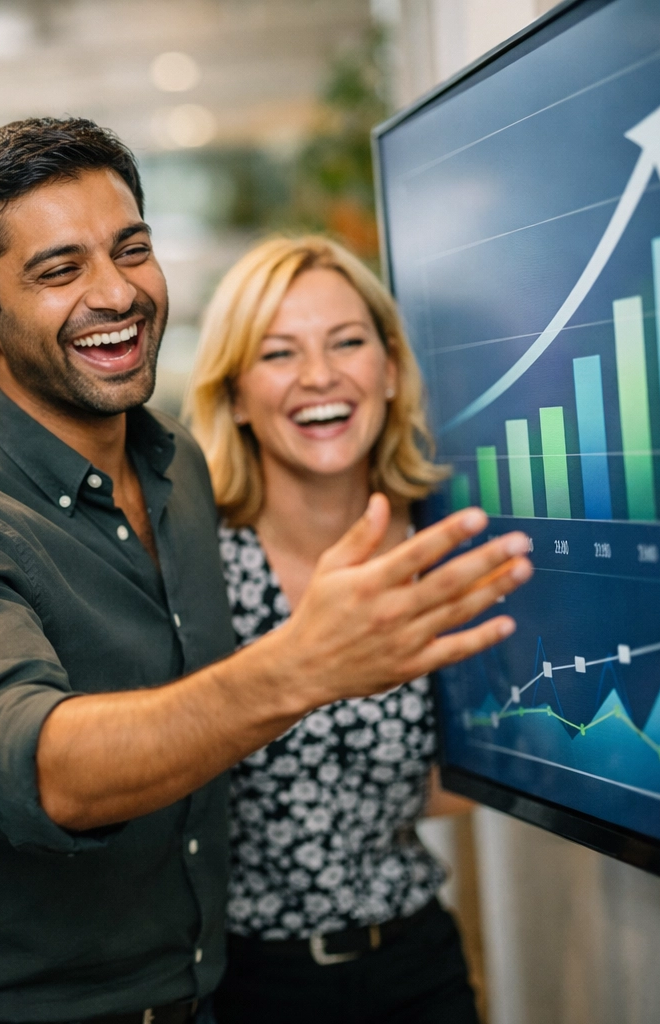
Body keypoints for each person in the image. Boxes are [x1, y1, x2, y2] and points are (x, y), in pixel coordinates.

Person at [0, 116, 530, 1024]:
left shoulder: (178, 469)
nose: (116, 292)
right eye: (60, 270)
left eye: (132, 250)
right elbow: (39, 771)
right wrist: (302, 664)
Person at [186, 236, 479, 1023]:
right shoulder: (191, 568)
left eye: (347, 342)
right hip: (242, 987)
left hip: (416, 967)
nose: (320, 375)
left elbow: (471, 770)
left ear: (390, 369)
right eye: (279, 353)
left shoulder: (443, 547)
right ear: (236, 395)